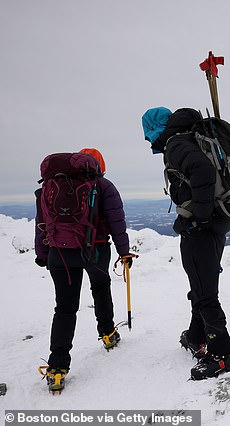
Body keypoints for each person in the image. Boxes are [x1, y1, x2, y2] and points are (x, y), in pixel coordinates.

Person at [141, 106, 230, 380]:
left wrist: (197, 217)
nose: (148, 140)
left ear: (156, 129)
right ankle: (197, 335)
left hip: (203, 225)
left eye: (147, 133)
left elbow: (201, 171)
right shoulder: (191, 139)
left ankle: (224, 355)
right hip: (219, 220)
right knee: (202, 280)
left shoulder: (176, 144)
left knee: (204, 289)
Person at [35, 148, 132, 391]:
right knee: (101, 289)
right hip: (95, 250)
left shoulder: (50, 185)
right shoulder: (104, 186)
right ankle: (108, 334)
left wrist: (43, 254)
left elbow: (41, 223)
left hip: (60, 253)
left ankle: (57, 367)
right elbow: (116, 222)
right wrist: (124, 252)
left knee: (65, 308)